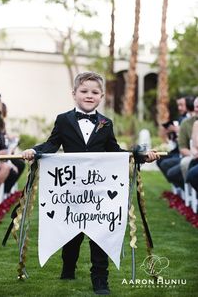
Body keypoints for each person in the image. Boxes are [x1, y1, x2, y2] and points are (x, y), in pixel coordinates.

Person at [22, 71, 159, 295]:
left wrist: (141, 155)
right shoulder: (63, 119)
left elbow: (115, 151)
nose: (89, 95)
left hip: (99, 190)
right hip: (70, 189)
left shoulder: (106, 123)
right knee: (72, 231)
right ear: (74, 93)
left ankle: (100, 280)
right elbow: (52, 144)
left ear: (102, 96)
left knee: (100, 233)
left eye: (94, 92)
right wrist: (33, 151)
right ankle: (68, 266)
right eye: (84, 91)